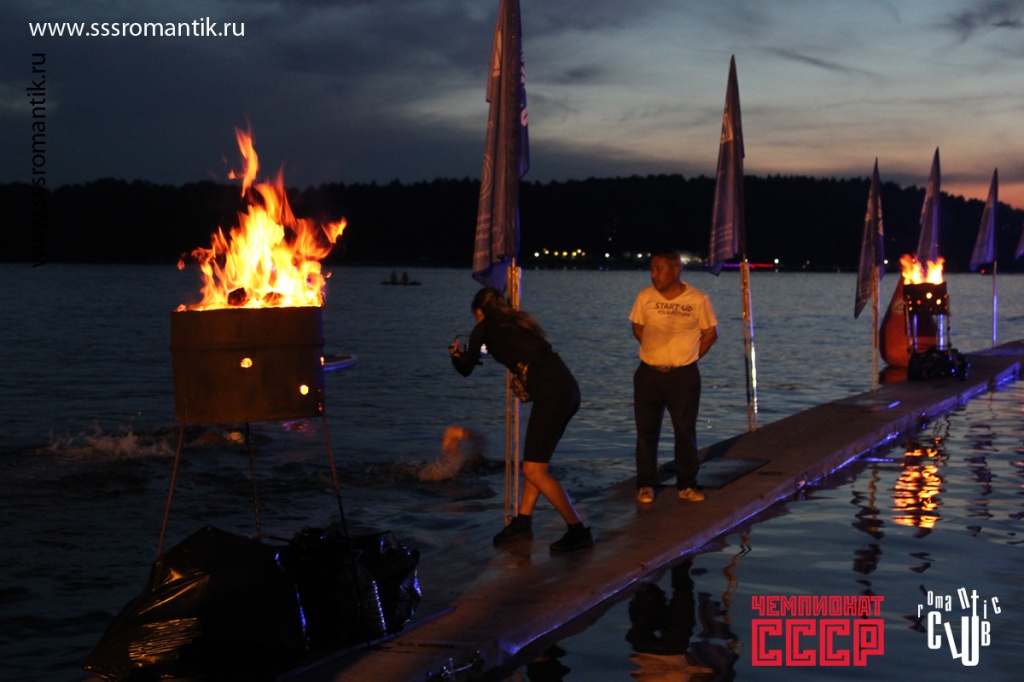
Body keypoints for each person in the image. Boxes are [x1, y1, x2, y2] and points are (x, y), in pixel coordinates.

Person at [449, 287, 593, 552]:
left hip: (552, 395)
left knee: (533, 470)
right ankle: (523, 521)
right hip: (567, 389)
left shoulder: (484, 327)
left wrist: (456, 355)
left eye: (475, 315)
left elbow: (466, 369)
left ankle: (578, 530)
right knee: (535, 464)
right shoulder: (517, 323)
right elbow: (513, 350)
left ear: (480, 312)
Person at [629, 251, 718, 504]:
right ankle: (646, 485)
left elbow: (710, 334)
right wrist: (655, 352)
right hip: (648, 374)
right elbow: (638, 327)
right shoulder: (645, 296)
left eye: (659, 269)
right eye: (652, 269)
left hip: (683, 376)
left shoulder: (698, 299)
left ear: (676, 269)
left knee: (684, 431)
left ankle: (687, 485)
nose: (654, 275)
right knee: (646, 432)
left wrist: (688, 357)